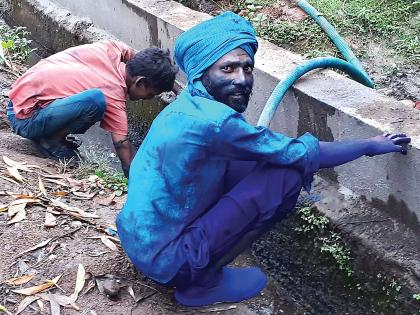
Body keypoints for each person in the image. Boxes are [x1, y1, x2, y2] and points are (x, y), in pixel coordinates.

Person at [116, 12, 410, 306]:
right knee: (287, 173)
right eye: (228, 68)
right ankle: (202, 283)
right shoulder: (216, 123)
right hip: (169, 262)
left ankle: (201, 255)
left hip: (140, 242)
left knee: (250, 158)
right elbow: (303, 153)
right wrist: (371, 144)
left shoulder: (187, 104)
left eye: (247, 68)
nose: (242, 79)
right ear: (201, 72)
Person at [6, 40, 178, 176]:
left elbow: (140, 58)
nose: (148, 99)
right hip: (25, 118)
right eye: (150, 93)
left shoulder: (113, 49)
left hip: (21, 100)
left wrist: (175, 88)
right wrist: (138, 182)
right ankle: (51, 141)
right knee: (95, 102)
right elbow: (122, 145)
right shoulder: (112, 91)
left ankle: (52, 134)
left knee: (92, 99)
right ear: (140, 81)